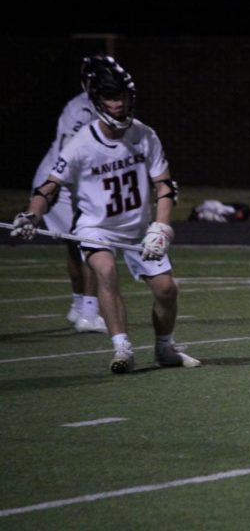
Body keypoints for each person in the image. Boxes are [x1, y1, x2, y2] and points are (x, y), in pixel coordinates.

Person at [10, 55, 201, 374]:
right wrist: (31, 215)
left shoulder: (144, 135)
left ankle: (165, 347)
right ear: (98, 100)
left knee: (167, 289)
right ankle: (122, 348)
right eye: (112, 98)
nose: (119, 104)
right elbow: (50, 187)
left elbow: (164, 186)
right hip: (96, 227)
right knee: (107, 271)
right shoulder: (80, 142)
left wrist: (161, 227)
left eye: (124, 97)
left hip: (138, 227)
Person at [30, 56, 108, 332]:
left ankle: (79, 307)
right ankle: (88, 312)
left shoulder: (93, 106)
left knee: (77, 247)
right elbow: (71, 158)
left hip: (67, 179)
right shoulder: (82, 112)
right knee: (93, 244)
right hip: (63, 182)